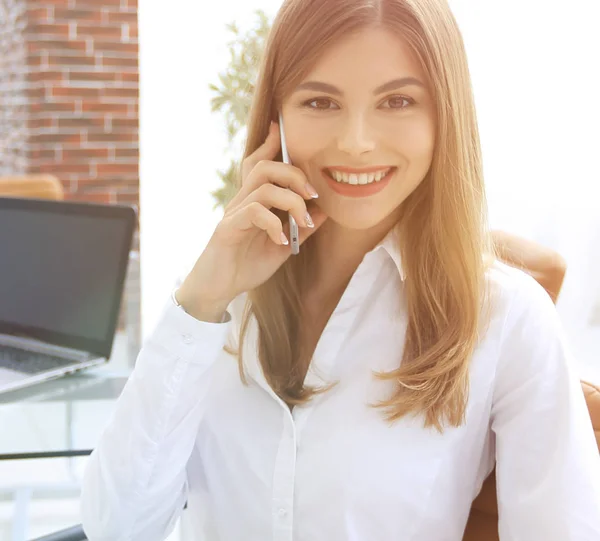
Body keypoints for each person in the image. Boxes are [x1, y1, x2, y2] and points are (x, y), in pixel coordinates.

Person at [80, 0, 600, 539]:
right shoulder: (218, 300)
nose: (356, 141)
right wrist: (204, 298)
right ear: (276, 119)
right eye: (320, 101)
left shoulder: (507, 318)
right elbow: (116, 526)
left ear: (445, 113)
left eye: (397, 100)